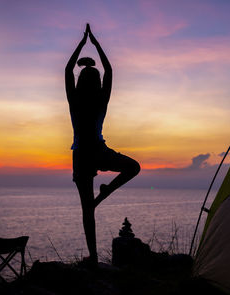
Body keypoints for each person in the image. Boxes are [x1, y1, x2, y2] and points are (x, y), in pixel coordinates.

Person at [65, 24, 140, 264]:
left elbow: (67, 69)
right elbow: (109, 70)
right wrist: (95, 43)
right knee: (133, 167)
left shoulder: (74, 100)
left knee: (87, 210)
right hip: (98, 151)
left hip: (81, 155)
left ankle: (94, 257)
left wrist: (82, 43)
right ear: (97, 81)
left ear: (80, 81)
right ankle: (104, 194)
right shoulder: (101, 99)